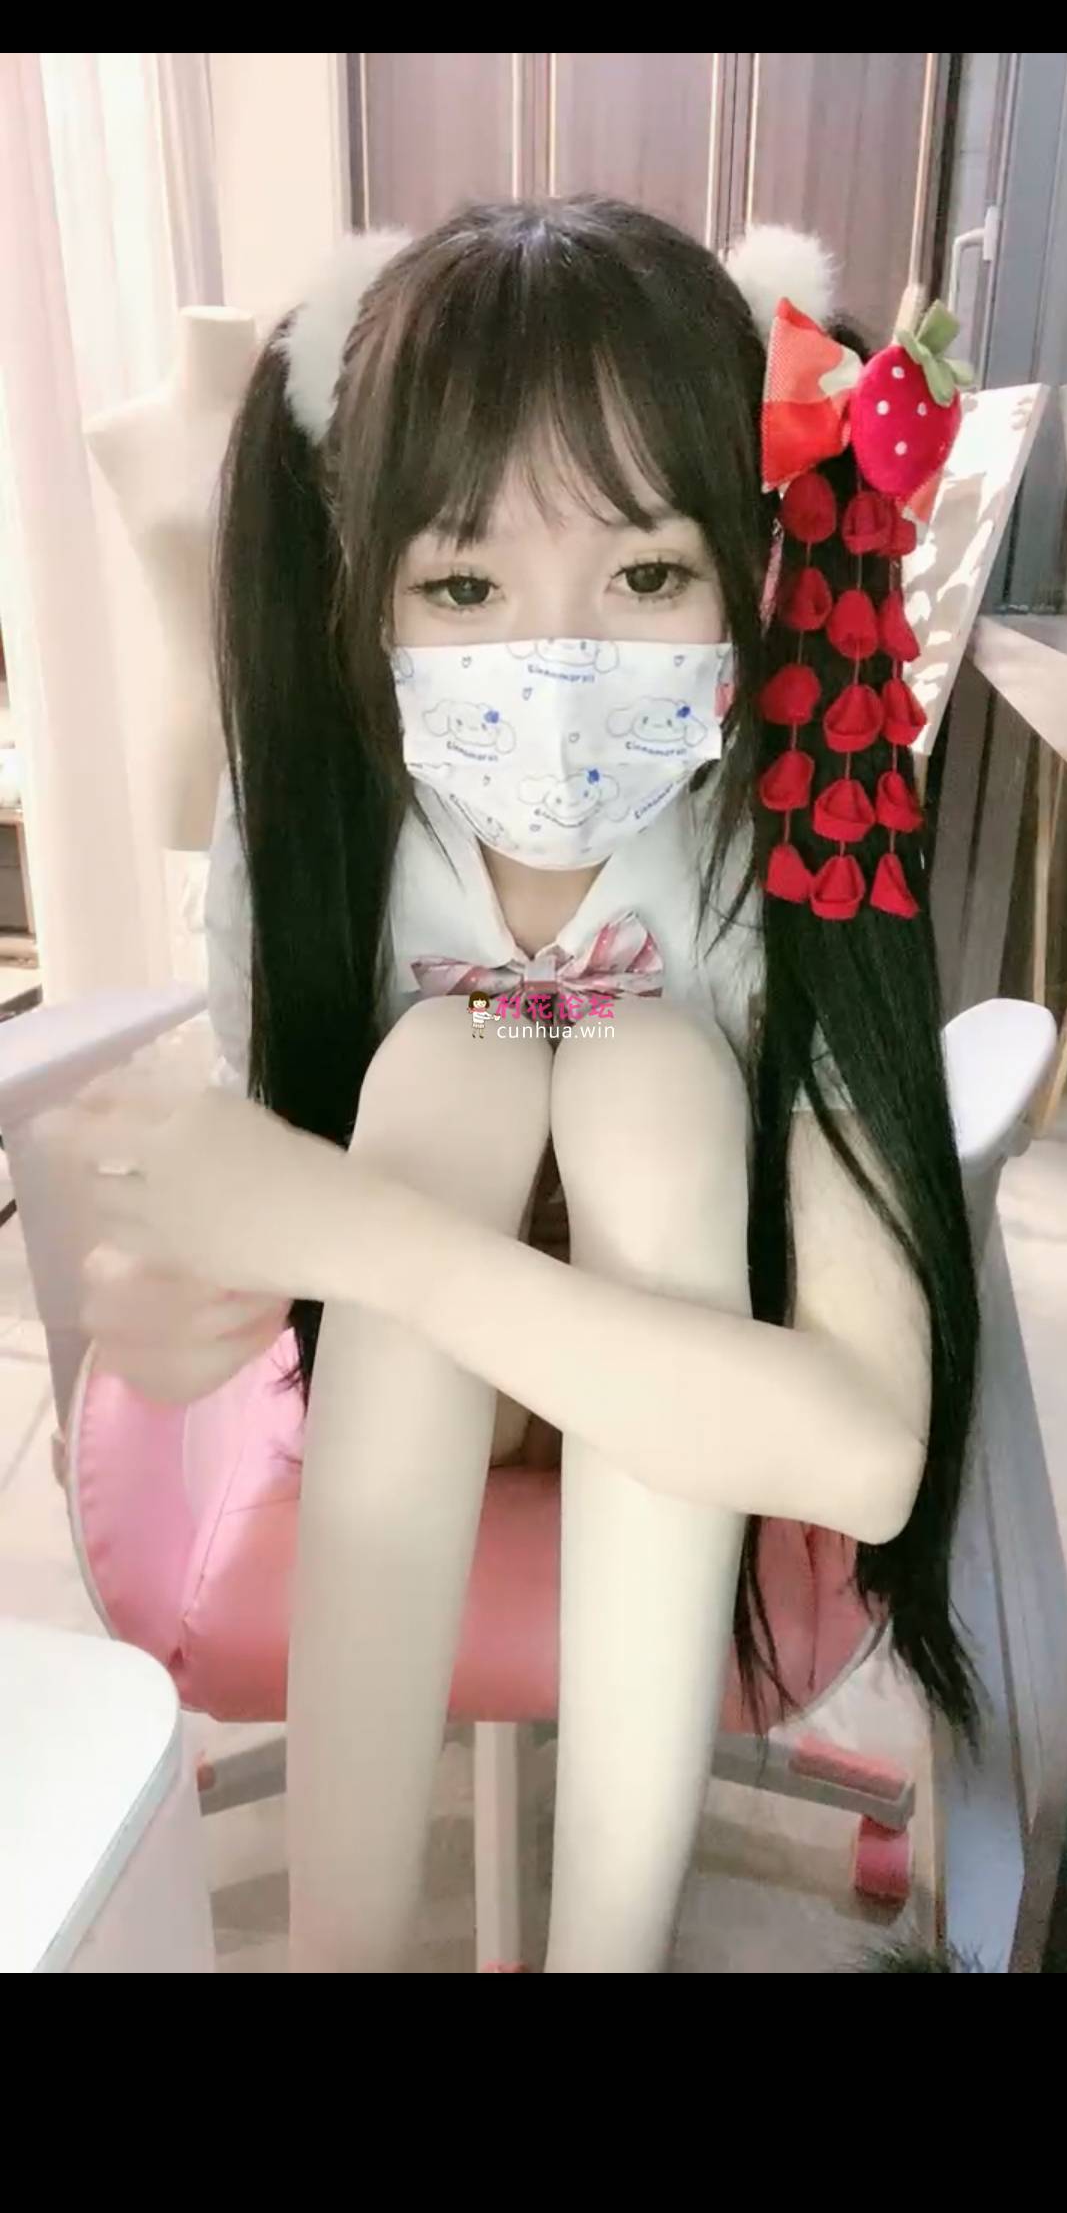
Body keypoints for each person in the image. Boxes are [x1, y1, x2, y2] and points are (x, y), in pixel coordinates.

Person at [75, 200, 978, 1973]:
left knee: (650, 1075)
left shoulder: (796, 834)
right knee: (450, 1064)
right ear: (364, 588)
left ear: (753, 569)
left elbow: (868, 1458)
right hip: (418, 1403)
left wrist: (350, 1234)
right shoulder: (324, 829)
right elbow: (246, 1233)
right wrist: (193, 1277)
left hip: (701, 1377)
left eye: (645, 577)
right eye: (464, 585)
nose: (557, 665)